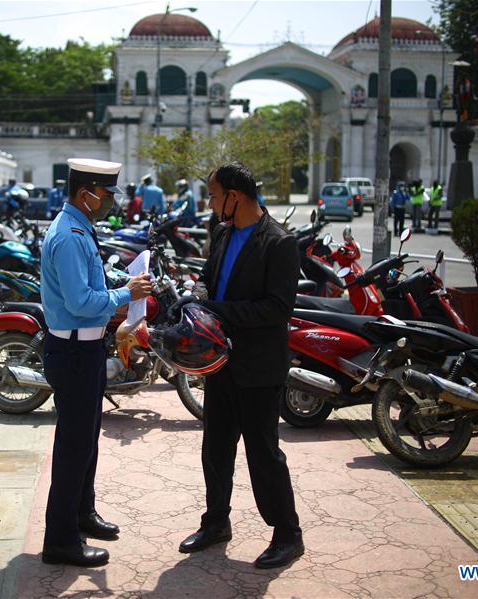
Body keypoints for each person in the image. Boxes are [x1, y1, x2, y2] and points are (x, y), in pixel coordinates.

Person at [175, 161, 304, 569]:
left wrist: (215, 309)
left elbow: (277, 308)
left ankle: (288, 534)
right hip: (220, 364)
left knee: (263, 454)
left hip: (259, 367)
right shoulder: (222, 232)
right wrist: (196, 295)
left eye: (214, 196)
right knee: (215, 448)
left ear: (235, 196)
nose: (210, 204)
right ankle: (216, 522)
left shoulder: (279, 243)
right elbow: (207, 278)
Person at [39, 158, 152, 567]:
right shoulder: (70, 235)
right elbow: (80, 302)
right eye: (105, 194)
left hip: (84, 349)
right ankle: (60, 540)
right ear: (85, 193)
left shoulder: (80, 227)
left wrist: (122, 285)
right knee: (73, 447)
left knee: (86, 440)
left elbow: (89, 286)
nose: (109, 202)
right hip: (72, 351)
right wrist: (125, 294)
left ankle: (82, 514)